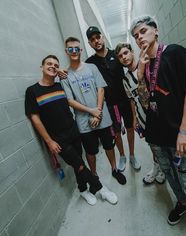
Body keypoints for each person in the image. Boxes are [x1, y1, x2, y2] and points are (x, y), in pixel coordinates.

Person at [130, 16, 186, 235]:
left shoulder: (175, 52)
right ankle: (182, 203)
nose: (139, 37)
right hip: (156, 133)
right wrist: (140, 75)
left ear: (156, 30)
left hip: (178, 132)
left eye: (143, 31)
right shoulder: (143, 64)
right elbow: (144, 101)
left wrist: (184, 131)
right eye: (135, 36)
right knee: (170, 174)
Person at [25, 55, 118, 206]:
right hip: (58, 138)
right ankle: (101, 189)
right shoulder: (32, 91)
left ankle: (82, 190)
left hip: (73, 131)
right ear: (41, 67)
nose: (52, 66)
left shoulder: (60, 86)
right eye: (48, 63)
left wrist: (61, 71)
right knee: (79, 164)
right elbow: (35, 118)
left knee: (78, 163)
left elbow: (70, 88)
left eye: (56, 64)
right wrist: (49, 141)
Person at [60, 37, 126, 186]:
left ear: (81, 50)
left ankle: (115, 169)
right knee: (90, 151)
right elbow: (70, 101)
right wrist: (92, 111)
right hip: (84, 121)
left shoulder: (92, 67)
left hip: (102, 116)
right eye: (70, 49)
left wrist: (99, 111)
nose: (74, 51)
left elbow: (101, 89)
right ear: (66, 51)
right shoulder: (65, 76)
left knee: (109, 145)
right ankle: (94, 176)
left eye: (77, 48)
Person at [85, 26, 141, 172]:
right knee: (116, 132)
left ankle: (132, 155)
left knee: (129, 128)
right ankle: (122, 155)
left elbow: (129, 64)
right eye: (92, 40)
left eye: (98, 37)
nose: (96, 41)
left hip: (125, 99)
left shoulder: (116, 55)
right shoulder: (89, 63)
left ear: (102, 37)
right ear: (90, 43)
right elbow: (78, 70)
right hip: (109, 105)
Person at [115, 42, 165, 185]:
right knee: (152, 144)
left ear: (131, 52)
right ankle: (157, 167)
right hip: (143, 117)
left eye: (125, 53)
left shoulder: (147, 65)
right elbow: (132, 100)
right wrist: (135, 119)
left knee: (164, 144)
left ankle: (164, 169)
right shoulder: (125, 80)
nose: (124, 57)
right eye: (120, 56)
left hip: (158, 114)